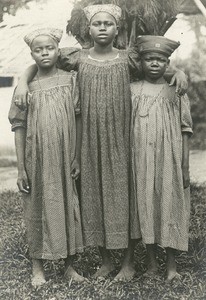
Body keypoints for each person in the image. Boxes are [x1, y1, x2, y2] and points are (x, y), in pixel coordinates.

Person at [12, 4, 188, 281]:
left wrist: (177, 72)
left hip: (123, 137)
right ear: (89, 29)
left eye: (108, 23)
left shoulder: (127, 58)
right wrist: (22, 81)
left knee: (125, 196)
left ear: (117, 28)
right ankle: (106, 261)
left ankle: (128, 263)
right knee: (93, 196)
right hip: (89, 138)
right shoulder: (77, 58)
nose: (103, 27)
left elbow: (153, 67)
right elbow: (43, 60)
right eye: (97, 23)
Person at [8, 28, 84, 286]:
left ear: (57, 50)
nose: (44, 53)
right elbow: (18, 127)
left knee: (67, 204)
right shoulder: (25, 88)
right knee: (36, 207)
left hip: (64, 156)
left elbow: (78, 118)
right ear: (32, 54)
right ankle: (37, 268)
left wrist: (76, 156)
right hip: (36, 157)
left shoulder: (70, 80)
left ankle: (69, 265)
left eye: (49, 48)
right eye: (38, 50)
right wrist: (21, 169)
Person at [130, 35, 192, 282]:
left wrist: (185, 166)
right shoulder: (132, 90)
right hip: (140, 158)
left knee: (170, 204)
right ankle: (152, 263)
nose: (154, 63)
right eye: (149, 59)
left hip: (169, 158)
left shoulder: (176, 91)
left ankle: (171, 266)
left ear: (168, 63)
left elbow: (186, 129)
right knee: (146, 206)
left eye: (161, 59)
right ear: (141, 61)